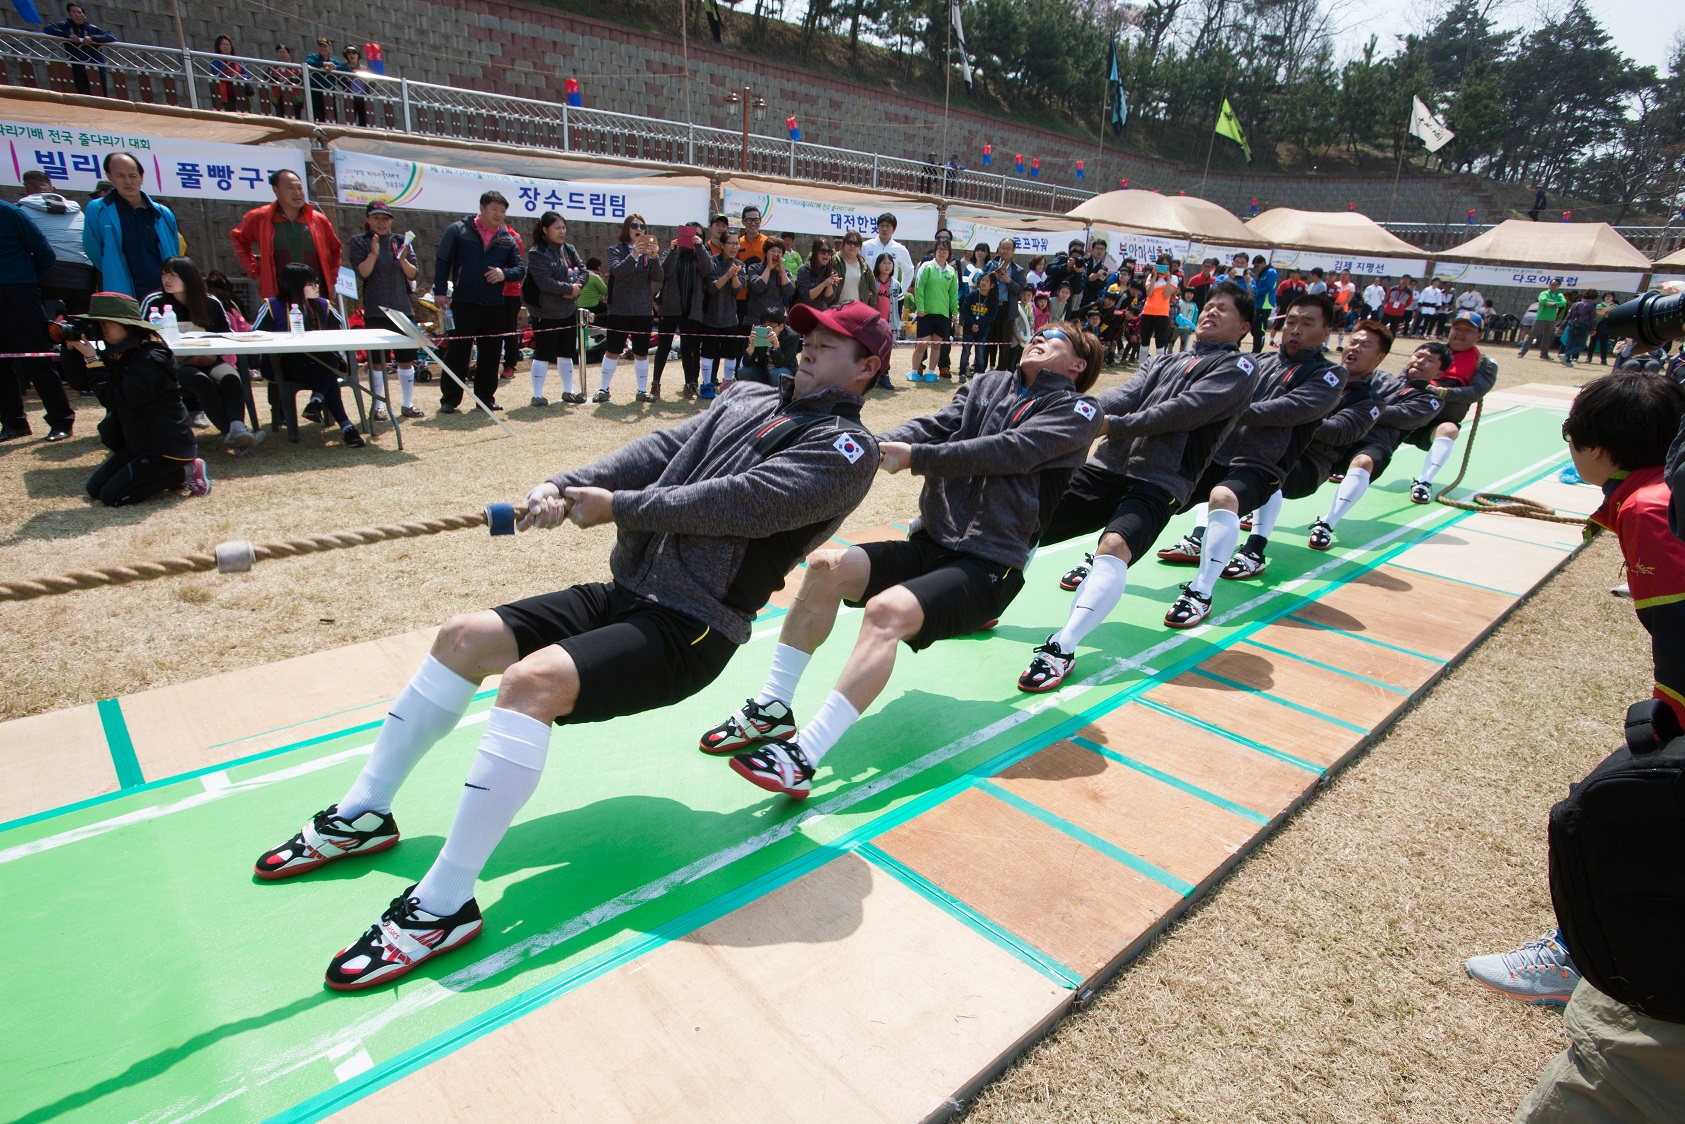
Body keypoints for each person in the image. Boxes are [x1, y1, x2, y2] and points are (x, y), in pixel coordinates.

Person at [250, 301, 886, 989]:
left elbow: (743, 501)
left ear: (867, 367)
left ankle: (442, 907)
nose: (809, 348)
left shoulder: (847, 450)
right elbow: (663, 450)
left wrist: (617, 506)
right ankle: (362, 814)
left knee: (530, 684)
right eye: (811, 336)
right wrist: (567, 482)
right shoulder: (750, 396)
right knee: (462, 636)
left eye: (830, 344)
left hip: (690, 626)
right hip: (627, 593)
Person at [703, 321, 1103, 796]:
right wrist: (869, 448)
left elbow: (1012, 450)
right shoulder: (987, 383)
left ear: (1078, 364)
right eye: (1038, 331)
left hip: (989, 565)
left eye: (1055, 338)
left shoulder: (1080, 409)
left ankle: (802, 756)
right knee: (825, 568)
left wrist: (917, 456)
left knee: (885, 612)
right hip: (929, 545)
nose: (1039, 335)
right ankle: (773, 708)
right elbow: (932, 426)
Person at [1466, 373, 1685, 1122]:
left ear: (1593, 446)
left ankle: (1573, 952)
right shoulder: (1649, 491)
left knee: (1608, 812)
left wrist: (1671, 717)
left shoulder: (1650, 513)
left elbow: (1678, 635)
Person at [1017, 283, 1259, 690]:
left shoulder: (1239, 370)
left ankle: (1062, 647)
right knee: (1025, 519)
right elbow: (1125, 393)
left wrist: (1109, 425)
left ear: (1245, 326)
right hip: (1109, 464)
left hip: (1160, 478)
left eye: (1224, 310)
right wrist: (1078, 413)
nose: (1211, 313)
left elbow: (1184, 412)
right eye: (1209, 305)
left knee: (1114, 548)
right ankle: (989, 596)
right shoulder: (1167, 358)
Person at [1151, 292, 1345, 617]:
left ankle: (1201, 592)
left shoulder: (1329, 376)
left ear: (1326, 332)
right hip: (1216, 456)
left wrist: (1223, 406)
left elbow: (1290, 409)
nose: (1295, 330)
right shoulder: (1257, 361)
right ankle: (1108, 560)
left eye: (1307, 324)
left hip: (1261, 466)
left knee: (1224, 497)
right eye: (1291, 322)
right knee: (1149, 491)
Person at [1228, 323, 1392, 566]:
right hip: (1270, 446)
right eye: (1353, 341)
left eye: (1365, 345)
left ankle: (1254, 551)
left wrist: (1297, 414)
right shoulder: (1314, 375)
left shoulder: (1371, 401)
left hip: (1310, 465)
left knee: (1266, 467)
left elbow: (1340, 432)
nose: (1355, 348)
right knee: (1218, 460)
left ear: (1379, 358)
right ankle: (1198, 540)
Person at [1305, 337, 1447, 551]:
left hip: (1374, 443)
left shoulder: (1430, 400)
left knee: (1363, 462)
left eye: (1429, 360)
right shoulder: (1379, 377)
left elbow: (1400, 416)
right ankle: (1258, 511)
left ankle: (1326, 523)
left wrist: (1361, 406)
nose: (1420, 361)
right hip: (1342, 431)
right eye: (1418, 355)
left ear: (1438, 374)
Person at [70, 292, 207, 502]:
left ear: (128, 325)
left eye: (108, 323)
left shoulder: (150, 357)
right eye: (98, 323)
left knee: (112, 497)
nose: (102, 328)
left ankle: (187, 471)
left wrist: (92, 360)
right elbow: (78, 384)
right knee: (94, 490)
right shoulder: (121, 351)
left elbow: (116, 398)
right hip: (140, 445)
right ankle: (171, 474)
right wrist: (70, 349)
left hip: (166, 448)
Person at [139, 255, 257, 451]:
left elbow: (227, 336)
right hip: (174, 364)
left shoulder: (211, 302)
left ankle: (237, 427)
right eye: (164, 274)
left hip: (211, 360)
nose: (167, 279)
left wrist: (213, 354)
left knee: (230, 377)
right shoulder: (154, 302)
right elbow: (144, 337)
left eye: (174, 275)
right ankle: (235, 436)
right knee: (202, 382)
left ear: (189, 277)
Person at [250, 262, 363, 447]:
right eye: (311, 283)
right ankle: (342, 424)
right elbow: (255, 335)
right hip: (286, 366)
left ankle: (325, 410)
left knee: (328, 362)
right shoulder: (272, 305)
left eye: (317, 282)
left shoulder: (323, 305)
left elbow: (344, 333)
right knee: (329, 370)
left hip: (319, 364)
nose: (317, 287)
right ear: (295, 285)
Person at [433, 191, 524, 413]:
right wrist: (440, 291)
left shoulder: (507, 238)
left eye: (503, 211)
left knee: (491, 354)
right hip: (464, 302)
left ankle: (485, 398)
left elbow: (520, 269)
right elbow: (443, 260)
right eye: (494, 209)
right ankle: (450, 399)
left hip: (494, 305)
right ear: (481, 208)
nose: (499, 215)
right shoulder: (459, 230)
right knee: (457, 351)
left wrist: (504, 274)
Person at [1403, 310, 1498, 503]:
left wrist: (1440, 392)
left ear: (1479, 335)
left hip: (1439, 420)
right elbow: (1406, 375)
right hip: (1410, 411)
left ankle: (1424, 482)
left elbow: (1475, 392)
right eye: (1457, 328)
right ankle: (1351, 468)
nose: (1460, 333)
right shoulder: (1431, 351)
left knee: (1449, 430)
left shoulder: (1485, 363)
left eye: (1468, 330)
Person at [0, 198, 75, 442]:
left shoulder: (9, 213)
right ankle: (14, 422)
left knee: (36, 357)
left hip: (18, 291)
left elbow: (44, 253)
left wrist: (24, 278)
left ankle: (61, 419)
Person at [17, 169, 96, 394]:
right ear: (52, 188)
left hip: (47, 276)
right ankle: (86, 383)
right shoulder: (78, 211)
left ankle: (41, 385)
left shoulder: (21, 211)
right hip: (83, 274)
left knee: (39, 331)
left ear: (27, 189)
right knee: (81, 330)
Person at [347, 201, 421, 418]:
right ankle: (378, 406)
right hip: (375, 310)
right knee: (377, 361)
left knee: (405, 357)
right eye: (376, 218)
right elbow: (363, 272)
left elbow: (413, 274)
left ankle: (407, 404)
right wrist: (373, 252)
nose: (381, 222)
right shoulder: (359, 242)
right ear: (368, 219)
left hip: (402, 308)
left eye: (385, 218)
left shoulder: (401, 241)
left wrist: (403, 259)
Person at [229, 168, 343, 301]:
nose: (297, 193)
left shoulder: (318, 219)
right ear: (276, 190)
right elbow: (238, 238)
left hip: (316, 294)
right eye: (290, 188)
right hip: (279, 294)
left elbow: (336, 249)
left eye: (300, 188)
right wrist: (256, 273)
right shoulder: (261, 217)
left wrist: (332, 279)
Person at [82, 152, 181, 300]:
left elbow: (174, 251)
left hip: (163, 292)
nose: (128, 181)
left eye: (133, 176)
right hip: (122, 291)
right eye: (120, 175)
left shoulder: (163, 213)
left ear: (141, 178)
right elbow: (94, 251)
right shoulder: (98, 210)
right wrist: (114, 269)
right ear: (109, 177)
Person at [522, 210, 589, 408]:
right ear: (545, 230)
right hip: (545, 311)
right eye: (557, 227)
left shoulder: (568, 249)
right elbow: (544, 282)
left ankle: (569, 391)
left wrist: (576, 288)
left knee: (567, 352)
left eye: (563, 227)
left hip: (568, 310)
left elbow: (583, 271)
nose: (561, 231)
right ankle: (537, 394)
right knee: (543, 352)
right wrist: (569, 289)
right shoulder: (537, 252)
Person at [655, 223, 711, 400]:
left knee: (689, 349)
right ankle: (655, 383)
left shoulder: (701, 253)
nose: (693, 237)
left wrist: (700, 247)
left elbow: (708, 270)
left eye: (698, 235)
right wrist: (672, 251)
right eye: (690, 234)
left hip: (691, 309)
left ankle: (689, 384)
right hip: (670, 308)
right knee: (663, 346)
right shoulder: (672, 251)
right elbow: (664, 271)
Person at [698, 228, 747, 398]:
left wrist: (734, 275)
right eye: (731, 243)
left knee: (731, 354)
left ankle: (727, 384)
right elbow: (712, 287)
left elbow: (738, 289)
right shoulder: (711, 262)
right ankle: (706, 385)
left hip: (730, 317)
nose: (735, 247)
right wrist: (727, 275)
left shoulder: (741, 265)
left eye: (737, 243)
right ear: (722, 244)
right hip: (710, 316)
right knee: (708, 353)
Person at [906, 239, 958, 383]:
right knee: (922, 344)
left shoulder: (951, 271)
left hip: (942, 313)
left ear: (949, 253)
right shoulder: (926, 267)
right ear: (935, 251)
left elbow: (953, 293)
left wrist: (954, 312)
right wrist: (920, 307)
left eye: (945, 250)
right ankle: (914, 371)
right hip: (926, 312)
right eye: (940, 249)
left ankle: (930, 372)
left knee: (936, 345)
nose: (942, 252)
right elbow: (919, 287)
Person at [43, 4, 114, 98]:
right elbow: (48, 29)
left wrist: (92, 38)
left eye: (79, 12)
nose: (77, 15)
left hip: (96, 68)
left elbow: (111, 36)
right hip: (77, 68)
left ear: (84, 16)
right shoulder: (65, 25)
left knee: (101, 97)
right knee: (83, 97)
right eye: (73, 12)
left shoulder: (92, 28)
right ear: (69, 14)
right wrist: (67, 35)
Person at [496, 223, 528, 384]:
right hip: (487, 293)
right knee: (489, 332)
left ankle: (510, 365)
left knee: (509, 331)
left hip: (510, 292)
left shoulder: (512, 235)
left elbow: (517, 254)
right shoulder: (478, 232)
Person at [737, 305, 800, 385]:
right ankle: (748, 395)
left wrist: (776, 344)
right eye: (764, 326)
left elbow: (780, 364)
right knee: (744, 370)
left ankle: (778, 396)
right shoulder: (758, 332)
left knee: (776, 373)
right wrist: (752, 345)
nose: (768, 330)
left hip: (783, 373)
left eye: (771, 326)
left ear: (781, 326)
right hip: (763, 372)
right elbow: (746, 363)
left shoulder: (792, 337)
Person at [862, 212, 915, 297]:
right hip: (869, 294)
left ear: (894, 229)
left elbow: (909, 271)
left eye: (888, 226)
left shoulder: (900, 249)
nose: (884, 229)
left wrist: (900, 290)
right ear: (877, 227)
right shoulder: (866, 246)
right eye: (882, 225)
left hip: (890, 295)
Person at [1517, 277, 1566, 360]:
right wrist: (1555, 303)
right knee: (1532, 336)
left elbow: (1563, 303)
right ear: (1549, 285)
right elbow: (1543, 300)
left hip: (1551, 319)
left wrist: (1552, 303)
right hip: (1541, 318)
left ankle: (1544, 354)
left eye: (1556, 285)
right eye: (1552, 284)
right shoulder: (1544, 293)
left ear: (1559, 286)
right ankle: (1522, 352)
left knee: (1547, 338)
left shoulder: (1559, 295)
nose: (1553, 286)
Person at [1138, 264, 1178, 359]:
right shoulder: (1151, 277)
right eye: (1160, 264)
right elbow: (1148, 293)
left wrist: (1168, 279)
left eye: (1165, 264)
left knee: (1160, 341)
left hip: (1162, 312)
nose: (1162, 268)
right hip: (1148, 311)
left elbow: (1166, 295)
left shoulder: (1173, 278)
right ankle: (1141, 366)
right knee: (1145, 341)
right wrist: (1154, 276)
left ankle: (1158, 366)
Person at [793, 237, 840, 312]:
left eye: (829, 251)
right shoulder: (804, 270)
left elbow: (828, 299)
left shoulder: (832, 273)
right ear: (815, 252)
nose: (826, 254)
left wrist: (829, 285)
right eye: (823, 251)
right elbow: (808, 297)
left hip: (821, 314)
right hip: (803, 313)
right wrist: (824, 284)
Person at [833, 232, 876, 307]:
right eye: (849, 242)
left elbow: (873, 290)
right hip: (836, 310)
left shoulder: (865, 266)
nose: (853, 246)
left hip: (858, 312)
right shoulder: (834, 262)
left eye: (856, 243)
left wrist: (870, 310)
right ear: (844, 244)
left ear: (860, 247)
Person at [211, 35, 252, 113]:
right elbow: (215, 73)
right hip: (226, 93)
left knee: (247, 113)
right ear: (218, 46)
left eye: (228, 44)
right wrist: (230, 76)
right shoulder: (216, 60)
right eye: (223, 44)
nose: (226, 46)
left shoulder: (237, 60)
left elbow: (247, 75)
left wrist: (239, 76)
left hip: (240, 92)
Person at [1560, 289, 1598, 367]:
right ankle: (1566, 355)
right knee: (1581, 345)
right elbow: (1593, 318)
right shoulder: (1592, 305)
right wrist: (1593, 329)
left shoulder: (1575, 304)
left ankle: (1567, 361)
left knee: (1570, 344)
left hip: (1572, 325)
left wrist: (1562, 326)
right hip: (1583, 326)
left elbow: (1568, 316)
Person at [305, 38, 339, 124]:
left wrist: (333, 67)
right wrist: (324, 64)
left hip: (329, 91)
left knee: (332, 117)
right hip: (316, 91)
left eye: (325, 46)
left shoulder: (333, 62)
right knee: (317, 117)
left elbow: (344, 67)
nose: (323, 48)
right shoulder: (313, 57)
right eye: (321, 46)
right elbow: (308, 62)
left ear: (330, 48)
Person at [1249, 255, 1278, 353]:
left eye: (1257, 266)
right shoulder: (1262, 273)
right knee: (1254, 329)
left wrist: (1255, 292)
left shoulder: (1271, 272)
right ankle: (1255, 351)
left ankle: (1257, 352)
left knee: (1259, 330)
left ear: (1263, 263)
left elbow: (1268, 287)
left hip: (1265, 305)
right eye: (1255, 267)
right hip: (1257, 304)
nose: (1256, 269)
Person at [268, 43, 305, 119]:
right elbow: (268, 77)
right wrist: (278, 79)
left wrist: (289, 79)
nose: (282, 54)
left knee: (296, 116)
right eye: (280, 52)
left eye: (284, 52)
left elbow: (300, 79)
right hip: (278, 95)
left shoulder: (295, 67)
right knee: (281, 116)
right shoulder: (273, 67)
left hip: (294, 96)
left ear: (288, 54)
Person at [340, 46, 371, 128]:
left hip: (363, 97)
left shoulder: (364, 68)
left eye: (354, 52)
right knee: (350, 121)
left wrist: (363, 76)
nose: (351, 55)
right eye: (348, 53)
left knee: (364, 122)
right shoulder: (344, 67)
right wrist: (349, 77)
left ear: (358, 55)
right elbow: (340, 81)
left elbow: (372, 84)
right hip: (350, 97)